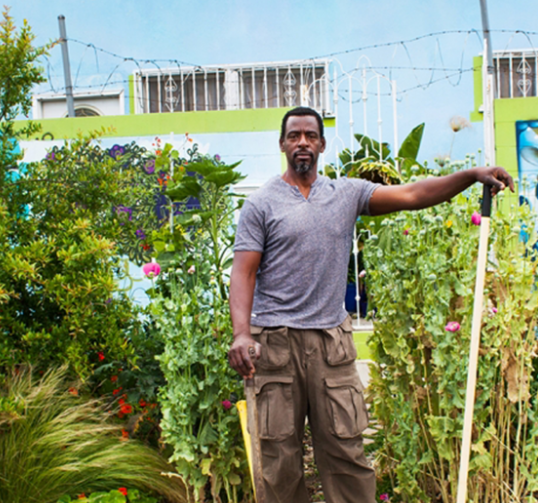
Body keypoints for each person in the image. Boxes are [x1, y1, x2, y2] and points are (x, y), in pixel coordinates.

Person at [228, 106, 513, 503]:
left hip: (331, 344)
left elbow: (413, 194)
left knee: (347, 451)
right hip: (275, 345)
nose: (303, 143)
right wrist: (242, 333)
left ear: (322, 144)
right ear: (282, 144)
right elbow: (243, 273)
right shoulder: (261, 205)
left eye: (310, 135)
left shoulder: (346, 194)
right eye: (294, 136)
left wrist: (469, 176)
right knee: (279, 461)